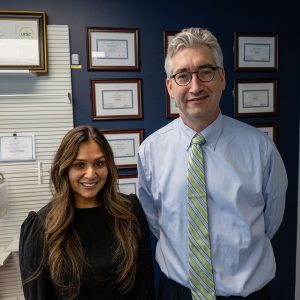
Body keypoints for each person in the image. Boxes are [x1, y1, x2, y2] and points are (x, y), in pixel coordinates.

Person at [137, 27, 288, 300]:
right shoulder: (150, 152)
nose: (195, 86)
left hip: (247, 293)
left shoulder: (260, 148)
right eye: (183, 76)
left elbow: (271, 220)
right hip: (176, 292)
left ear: (221, 78)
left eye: (205, 72)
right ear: (170, 87)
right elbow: (157, 223)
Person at [19, 125, 155, 300]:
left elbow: (144, 285)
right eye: (79, 165)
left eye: (99, 163)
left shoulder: (129, 212)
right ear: (65, 168)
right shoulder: (42, 225)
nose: (91, 174)